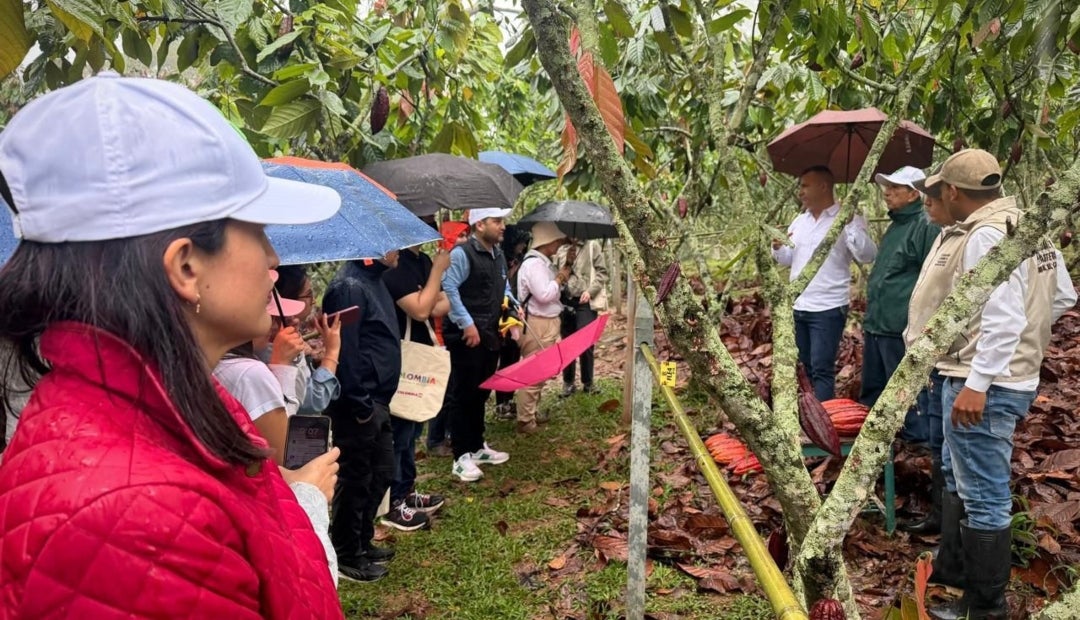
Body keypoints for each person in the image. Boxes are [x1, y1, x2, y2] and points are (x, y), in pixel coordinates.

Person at [0, 73, 344, 617]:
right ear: (186, 265)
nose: (274, 259)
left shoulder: (177, 402)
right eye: (256, 230)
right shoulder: (126, 517)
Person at [909, 150, 1076, 619]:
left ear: (954, 192)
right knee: (962, 475)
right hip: (993, 374)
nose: (935, 196)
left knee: (983, 493)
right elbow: (1059, 296)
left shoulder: (985, 236)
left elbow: (1002, 318)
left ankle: (985, 608)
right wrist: (1028, 342)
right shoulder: (1027, 226)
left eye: (938, 189)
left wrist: (981, 380)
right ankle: (958, 576)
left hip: (981, 381)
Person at [322, 250, 421, 582]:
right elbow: (344, 352)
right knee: (356, 479)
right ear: (371, 247)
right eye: (392, 243)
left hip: (378, 401)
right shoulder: (349, 286)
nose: (399, 251)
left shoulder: (374, 281)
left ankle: (362, 540)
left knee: (380, 473)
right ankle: (347, 552)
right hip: (359, 404)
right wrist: (360, 403)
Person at [772, 166, 877, 400]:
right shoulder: (799, 222)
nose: (801, 192)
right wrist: (777, 247)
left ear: (823, 186)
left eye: (805, 185)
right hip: (799, 304)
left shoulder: (848, 218)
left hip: (827, 307)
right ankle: (809, 417)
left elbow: (867, 255)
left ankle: (824, 423)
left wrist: (848, 224)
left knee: (822, 367)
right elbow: (789, 260)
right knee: (804, 366)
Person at [861, 166, 940, 443]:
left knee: (906, 396)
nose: (887, 192)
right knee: (875, 394)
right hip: (877, 324)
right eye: (887, 187)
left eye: (895, 188)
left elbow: (933, 279)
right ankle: (876, 453)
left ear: (913, 194)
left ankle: (914, 454)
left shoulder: (925, 225)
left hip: (900, 327)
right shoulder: (896, 225)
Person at [899, 169, 958, 536]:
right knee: (940, 445)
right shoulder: (944, 236)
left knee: (958, 454)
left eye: (933, 197)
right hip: (935, 357)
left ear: (953, 195)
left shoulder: (978, 238)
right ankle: (940, 519)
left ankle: (956, 546)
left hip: (961, 363)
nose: (927, 203)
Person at [441, 208, 514, 482]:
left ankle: (476, 445)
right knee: (463, 393)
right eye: (497, 221)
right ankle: (460, 455)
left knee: (481, 393)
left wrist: (513, 309)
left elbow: (503, 287)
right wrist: (466, 323)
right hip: (467, 336)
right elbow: (449, 288)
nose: (503, 226)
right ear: (479, 225)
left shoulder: (498, 254)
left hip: (490, 333)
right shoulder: (462, 254)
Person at [382, 242, 451, 521]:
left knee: (412, 429)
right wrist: (436, 273)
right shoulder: (396, 266)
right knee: (399, 431)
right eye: (423, 220)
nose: (430, 227)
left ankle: (407, 489)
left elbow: (442, 306)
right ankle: (393, 501)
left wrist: (427, 295)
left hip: (419, 356)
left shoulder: (421, 261)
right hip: (400, 357)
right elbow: (421, 311)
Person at [516, 222, 574, 433]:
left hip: (545, 321)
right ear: (547, 242)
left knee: (539, 371)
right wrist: (560, 278)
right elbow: (545, 294)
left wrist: (566, 266)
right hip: (538, 323)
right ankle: (525, 420)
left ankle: (531, 413)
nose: (558, 245)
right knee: (533, 373)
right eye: (556, 241)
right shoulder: (534, 265)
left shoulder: (543, 263)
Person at [273, 265, 342, 415]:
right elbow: (314, 399)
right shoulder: (276, 344)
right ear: (287, 299)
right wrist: (332, 351)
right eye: (308, 295)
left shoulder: (289, 335)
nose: (314, 302)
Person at [556, 237, 609, 396]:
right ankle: (568, 382)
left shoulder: (592, 246)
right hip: (565, 300)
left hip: (585, 301)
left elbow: (602, 272)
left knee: (586, 341)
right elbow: (553, 272)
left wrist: (590, 291)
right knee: (567, 342)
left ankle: (588, 382)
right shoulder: (560, 248)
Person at [494, 224, 531, 420]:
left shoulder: (522, 260)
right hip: (503, 316)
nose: (522, 246)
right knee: (505, 360)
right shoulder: (499, 259)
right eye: (520, 243)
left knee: (513, 358)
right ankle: (501, 403)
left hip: (517, 314)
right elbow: (502, 286)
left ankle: (508, 399)